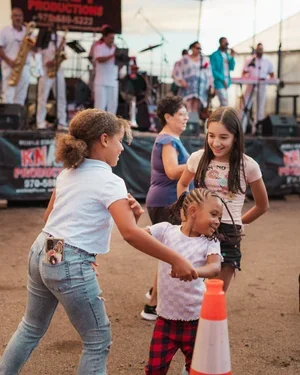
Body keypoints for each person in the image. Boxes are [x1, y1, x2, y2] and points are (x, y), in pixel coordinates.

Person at [0, 109, 198, 375]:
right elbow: (129, 233)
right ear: (104, 139)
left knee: (31, 326)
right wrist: (176, 257)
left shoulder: (68, 172)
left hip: (45, 248)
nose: (122, 149)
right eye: (118, 141)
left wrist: (80, 255)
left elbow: (52, 218)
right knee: (97, 340)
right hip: (68, 258)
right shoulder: (110, 181)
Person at [177, 107, 269, 292]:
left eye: (224, 137)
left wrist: (238, 223)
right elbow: (182, 185)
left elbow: (262, 205)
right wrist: (186, 216)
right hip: (197, 228)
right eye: (211, 135)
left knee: (215, 292)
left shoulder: (249, 166)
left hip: (229, 233)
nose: (216, 142)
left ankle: (208, 322)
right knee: (190, 286)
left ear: (236, 137)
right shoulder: (197, 158)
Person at [144, 188, 224, 375]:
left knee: (197, 368)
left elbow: (215, 268)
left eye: (219, 217)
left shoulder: (210, 242)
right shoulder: (165, 230)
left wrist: (193, 271)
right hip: (165, 319)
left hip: (196, 320)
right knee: (155, 369)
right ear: (193, 211)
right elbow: (140, 236)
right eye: (213, 214)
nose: (217, 221)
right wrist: (132, 218)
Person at [141, 96, 191, 320]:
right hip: (167, 201)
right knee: (170, 252)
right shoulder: (167, 140)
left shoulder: (170, 139)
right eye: (181, 114)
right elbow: (172, 171)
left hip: (165, 200)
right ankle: (152, 304)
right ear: (168, 117)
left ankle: (155, 292)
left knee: (169, 250)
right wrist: (199, 162)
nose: (186, 117)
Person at [0, 8, 33, 105]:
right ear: (11, 17)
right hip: (9, 66)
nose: (18, 18)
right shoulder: (4, 31)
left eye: (20, 16)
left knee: (21, 95)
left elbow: (35, 50)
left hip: (24, 66)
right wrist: (9, 61)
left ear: (23, 17)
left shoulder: (27, 32)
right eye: (15, 15)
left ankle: (18, 119)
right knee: (8, 94)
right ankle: (7, 119)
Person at [240, 43, 275, 134]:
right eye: (258, 49)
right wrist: (246, 79)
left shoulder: (267, 61)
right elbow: (244, 72)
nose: (260, 50)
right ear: (255, 49)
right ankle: (241, 130)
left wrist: (269, 81)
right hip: (250, 85)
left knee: (260, 108)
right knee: (244, 106)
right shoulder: (250, 59)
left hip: (262, 85)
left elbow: (272, 74)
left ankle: (256, 130)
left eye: (261, 49)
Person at [36, 29, 67, 129]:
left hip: (58, 70)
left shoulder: (60, 38)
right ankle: (40, 121)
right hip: (46, 70)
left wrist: (58, 60)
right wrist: (44, 64)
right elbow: (37, 55)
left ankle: (61, 122)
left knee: (61, 97)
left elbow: (63, 53)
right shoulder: (42, 37)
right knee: (42, 97)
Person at [173, 41, 213, 113]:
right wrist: (181, 80)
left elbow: (209, 74)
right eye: (197, 48)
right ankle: (187, 122)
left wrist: (211, 85)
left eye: (200, 48)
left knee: (196, 106)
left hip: (200, 88)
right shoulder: (185, 59)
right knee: (186, 105)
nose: (199, 50)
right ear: (192, 48)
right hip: (187, 87)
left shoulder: (204, 59)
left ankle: (194, 121)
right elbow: (177, 70)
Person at [93, 26, 119, 114]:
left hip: (113, 81)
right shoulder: (99, 47)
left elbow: (119, 64)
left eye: (113, 38)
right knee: (100, 107)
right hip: (101, 82)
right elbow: (99, 59)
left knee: (112, 107)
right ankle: (97, 127)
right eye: (110, 38)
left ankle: (111, 127)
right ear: (105, 37)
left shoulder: (116, 48)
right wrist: (113, 55)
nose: (112, 40)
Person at [210, 37, 235, 107]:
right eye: (225, 42)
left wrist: (232, 57)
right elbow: (212, 70)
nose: (226, 44)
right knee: (224, 103)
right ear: (220, 43)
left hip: (227, 83)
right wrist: (222, 79)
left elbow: (232, 68)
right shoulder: (214, 55)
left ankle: (221, 117)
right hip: (219, 82)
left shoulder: (227, 55)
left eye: (227, 43)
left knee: (224, 105)